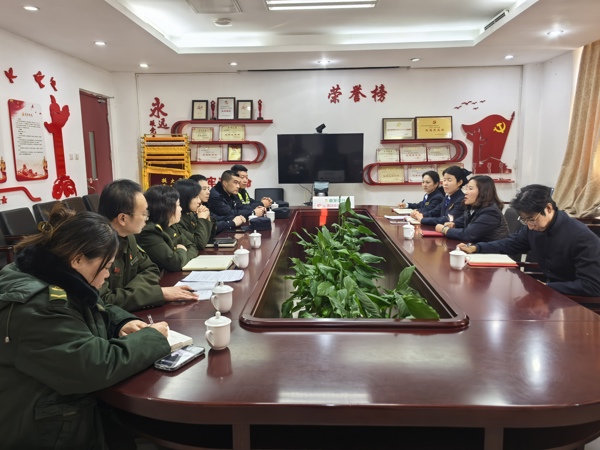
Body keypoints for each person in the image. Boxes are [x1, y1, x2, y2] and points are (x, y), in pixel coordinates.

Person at [0, 203, 170, 449]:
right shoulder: (40, 307)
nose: (108, 275)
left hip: (62, 410)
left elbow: (96, 305)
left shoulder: (50, 273)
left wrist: (123, 322)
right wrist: (153, 338)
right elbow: (94, 365)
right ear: (78, 259)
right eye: (106, 266)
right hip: (44, 429)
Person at [458, 184, 600, 297]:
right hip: (550, 293)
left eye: (531, 219)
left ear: (548, 208)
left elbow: (592, 286)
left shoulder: (581, 237)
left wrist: (546, 287)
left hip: (576, 302)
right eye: (524, 220)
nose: (530, 226)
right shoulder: (535, 228)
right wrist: (477, 248)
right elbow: (509, 244)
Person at [98, 179, 198, 311]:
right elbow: (104, 301)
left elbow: (150, 269)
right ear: (123, 219)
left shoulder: (129, 238)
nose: (147, 218)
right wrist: (156, 294)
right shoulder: (98, 248)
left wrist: (130, 292)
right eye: (144, 213)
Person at [136, 185, 198, 272]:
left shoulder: (170, 226)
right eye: (178, 205)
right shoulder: (150, 232)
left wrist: (180, 255)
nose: (181, 209)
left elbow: (193, 247)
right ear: (165, 208)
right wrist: (181, 249)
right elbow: (175, 263)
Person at [435, 175, 509, 242]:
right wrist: (454, 224)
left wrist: (444, 229)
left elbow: (468, 235)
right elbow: (463, 220)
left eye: (470, 189)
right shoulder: (473, 207)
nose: (466, 192)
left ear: (483, 192)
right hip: (475, 247)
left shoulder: (490, 212)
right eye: (466, 188)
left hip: (490, 251)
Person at [173, 178, 216, 249]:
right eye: (196, 197)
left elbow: (209, 238)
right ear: (185, 198)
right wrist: (202, 219)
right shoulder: (176, 221)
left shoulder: (190, 214)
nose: (199, 201)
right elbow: (199, 244)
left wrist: (207, 219)